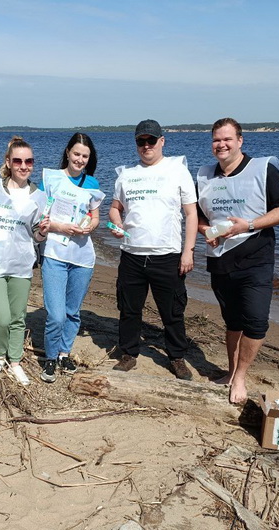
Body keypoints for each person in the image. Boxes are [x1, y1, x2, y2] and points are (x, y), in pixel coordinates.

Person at [196, 117, 279, 404]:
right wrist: (206, 231)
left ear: (240, 141)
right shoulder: (204, 175)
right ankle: (231, 373)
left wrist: (249, 225)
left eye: (227, 139)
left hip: (256, 257)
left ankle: (240, 376)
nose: (222, 145)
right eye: (217, 140)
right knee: (232, 322)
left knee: (255, 322)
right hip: (220, 260)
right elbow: (198, 216)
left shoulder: (262, 169)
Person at [108, 119, 198, 380]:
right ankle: (129, 353)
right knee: (129, 309)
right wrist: (116, 224)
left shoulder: (178, 170)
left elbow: (191, 214)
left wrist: (188, 251)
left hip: (167, 255)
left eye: (151, 140)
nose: (146, 146)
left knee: (172, 312)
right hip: (132, 254)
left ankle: (177, 357)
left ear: (162, 141)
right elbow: (115, 208)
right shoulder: (126, 174)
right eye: (141, 141)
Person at [0, 136, 50, 386]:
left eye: (29, 161)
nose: (24, 166)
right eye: (18, 161)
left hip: (20, 264)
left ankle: (14, 361)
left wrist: (43, 232)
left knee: (17, 317)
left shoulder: (39, 196)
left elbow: (36, 235)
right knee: (1, 318)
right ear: (8, 162)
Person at [38, 133, 105, 383]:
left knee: (72, 311)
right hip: (54, 253)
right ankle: (50, 357)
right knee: (56, 314)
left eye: (85, 156)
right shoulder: (51, 179)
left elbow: (95, 216)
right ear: (67, 152)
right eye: (76, 154)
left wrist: (91, 226)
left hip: (82, 257)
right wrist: (60, 227)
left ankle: (64, 353)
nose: (80, 159)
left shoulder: (92, 183)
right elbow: (40, 216)